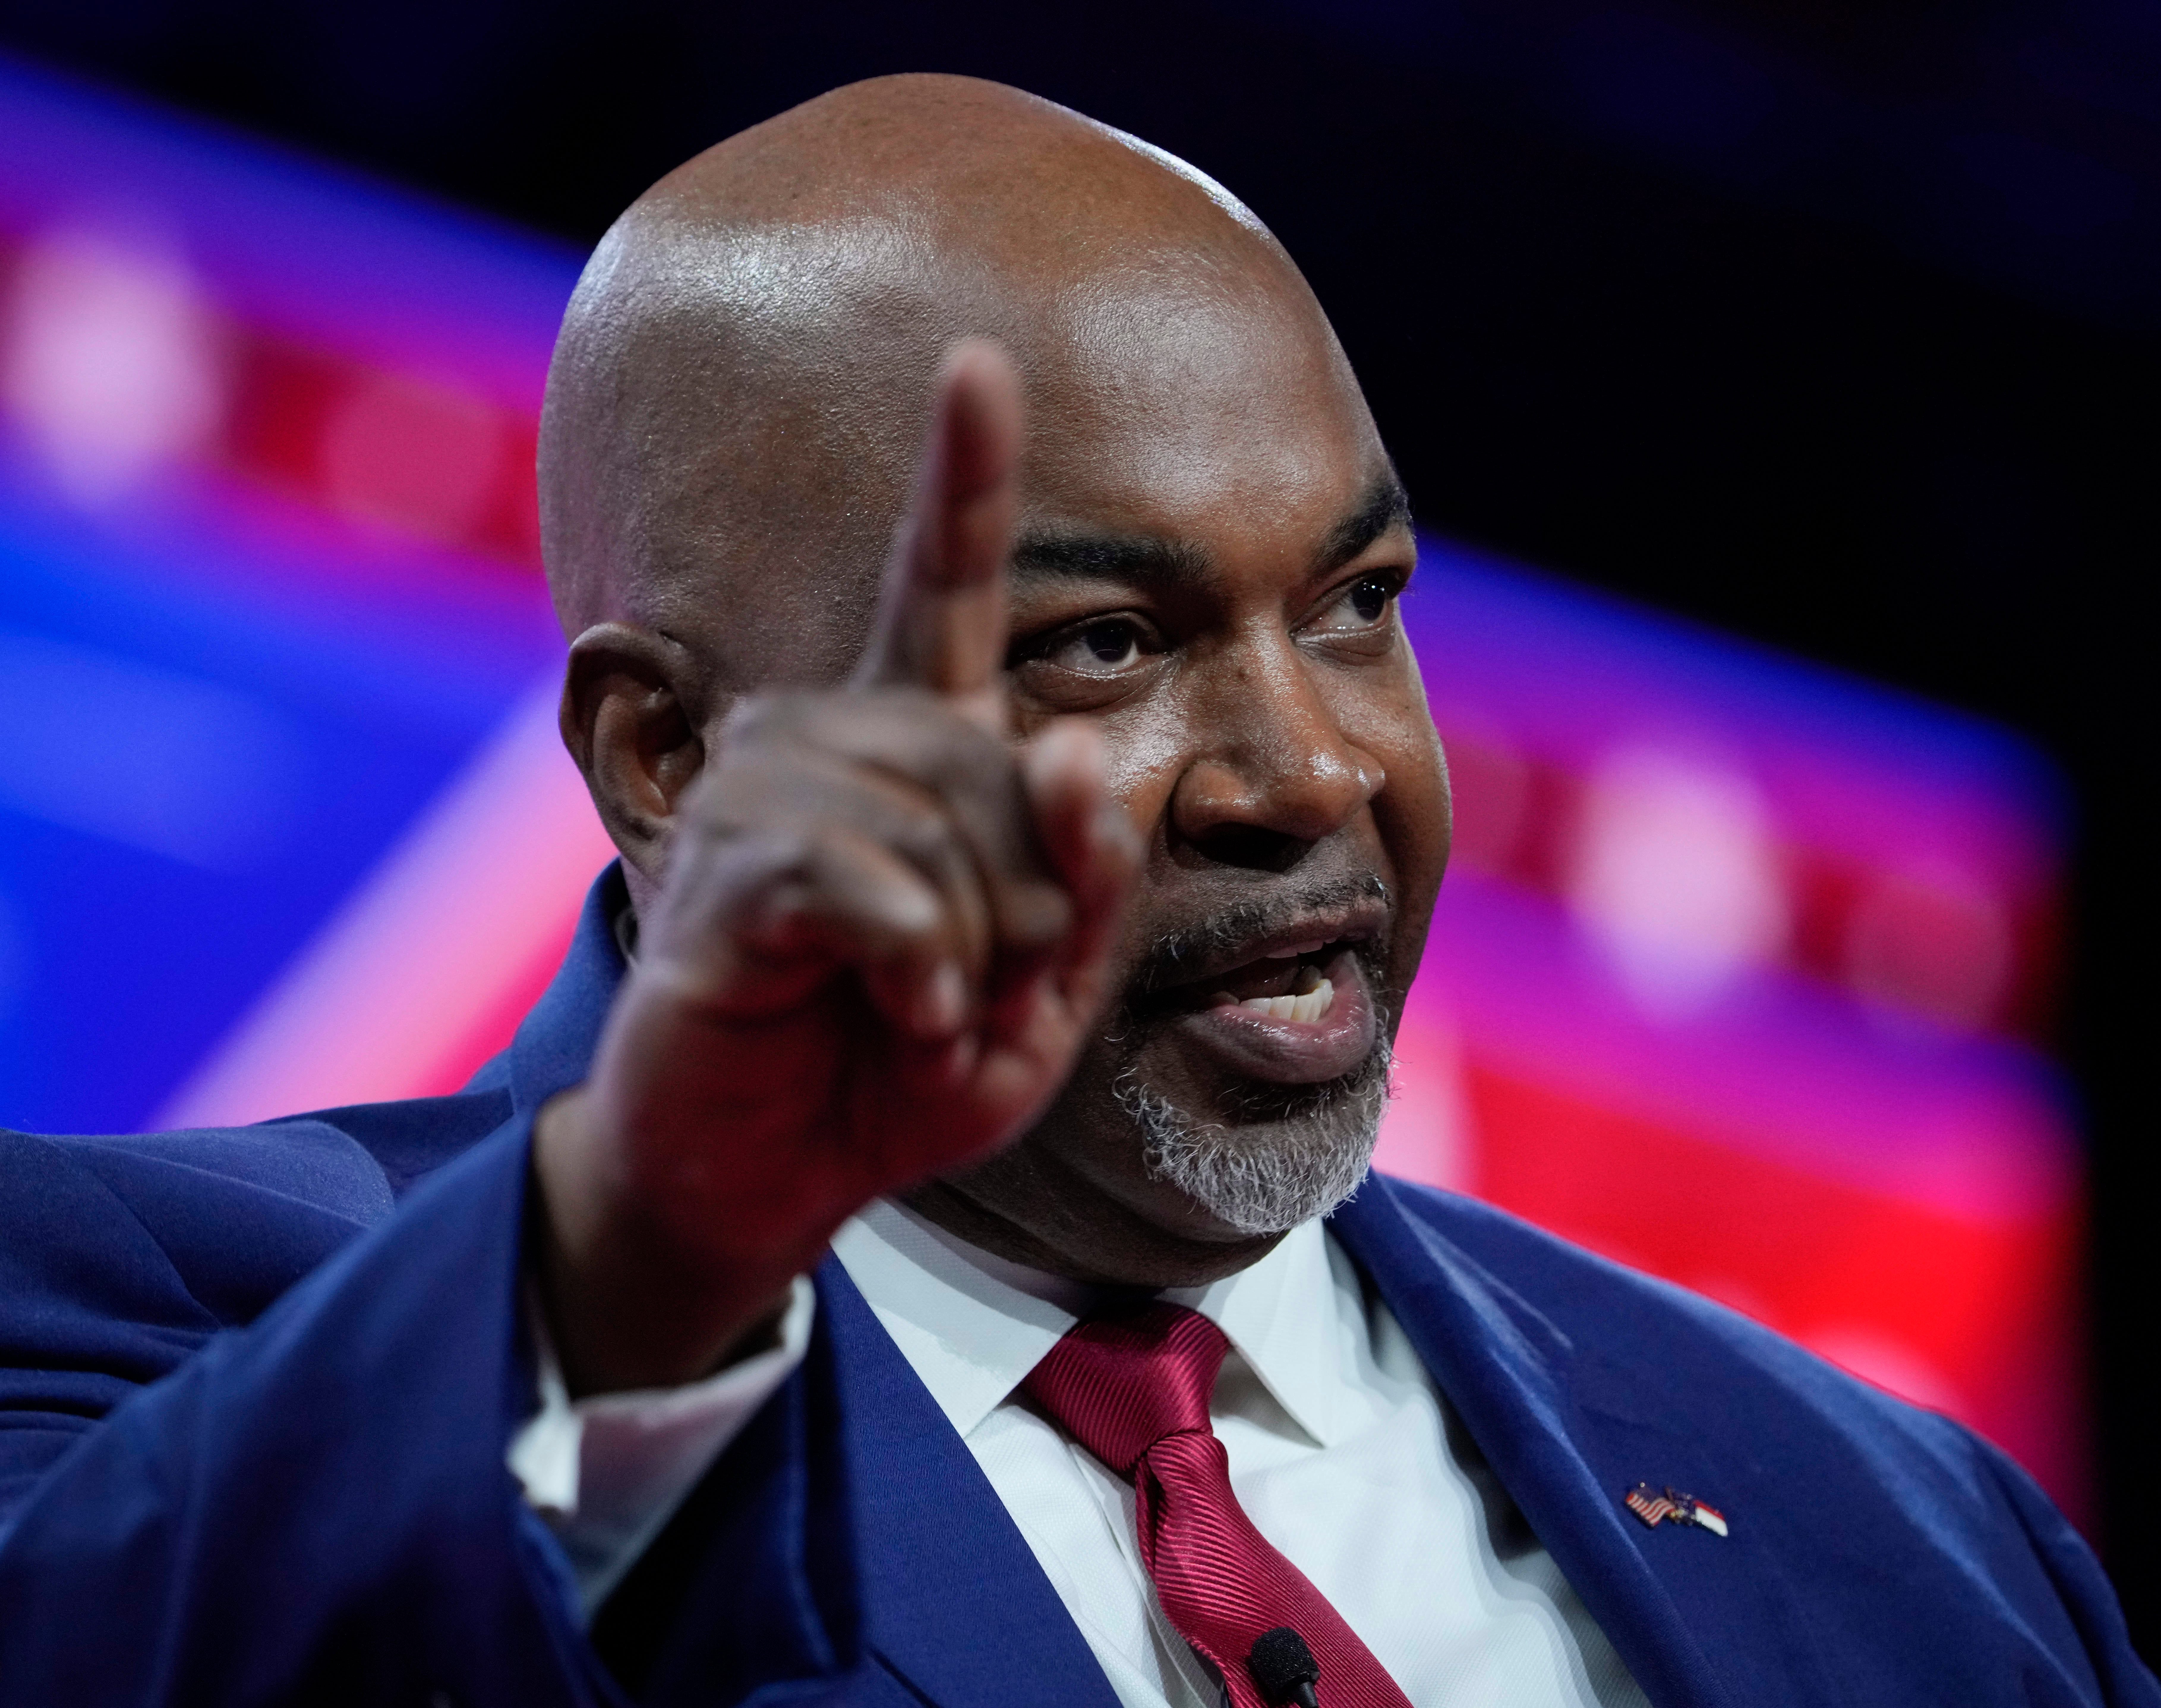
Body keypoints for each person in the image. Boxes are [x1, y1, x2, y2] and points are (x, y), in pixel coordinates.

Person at [0, 74, 2148, 1708]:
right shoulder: (162, 1331)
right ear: (669, 754)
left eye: (1357, 603)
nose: (1310, 768)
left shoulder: (1911, 1532)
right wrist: (653, 1238)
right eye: (1100, 645)